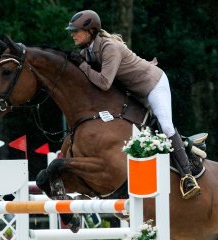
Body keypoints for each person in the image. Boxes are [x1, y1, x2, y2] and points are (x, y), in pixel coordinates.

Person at [65, 10, 201, 200]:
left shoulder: (108, 47)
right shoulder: (87, 52)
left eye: (76, 30)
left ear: (90, 31)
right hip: (134, 91)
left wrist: (83, 66)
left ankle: (187, 176)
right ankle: (183, 144)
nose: (72, 34)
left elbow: (104, 82)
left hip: (153, 85)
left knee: (166, 126)